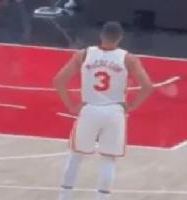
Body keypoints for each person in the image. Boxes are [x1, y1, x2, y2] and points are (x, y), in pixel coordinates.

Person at [53, 22, 153, 200]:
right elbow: (147, 86)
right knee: (108, 159)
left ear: (101, 35)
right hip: (114, 111)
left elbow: (58, 80)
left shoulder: (84, 55)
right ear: (120, 38)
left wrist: (70, 105)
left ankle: (64, 196)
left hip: (90, 109)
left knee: (76, 156)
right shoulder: (128, 58)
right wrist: (131, 105)